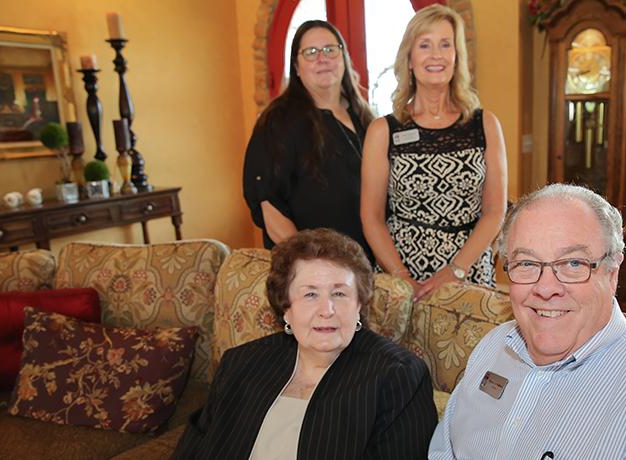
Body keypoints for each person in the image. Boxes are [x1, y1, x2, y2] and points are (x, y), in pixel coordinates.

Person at [428, 184, 626, 459]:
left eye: (573, 263)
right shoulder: (493, 347)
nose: (546, 288)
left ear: (612, 273)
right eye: (526, 263)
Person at [172, 228, 437, 459]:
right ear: (285, 307)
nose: (327, 310)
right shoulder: (241, 363)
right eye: (310, 294)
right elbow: (195, 449)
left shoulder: (398, 375)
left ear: (359, 304)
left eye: (339, 293)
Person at [360, 4, 506, 298]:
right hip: (401, 274)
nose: (436, 54)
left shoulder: (486, 124)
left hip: (469, 273)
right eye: (425, 45)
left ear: (456, 56)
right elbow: (371, 218)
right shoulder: (383, 130)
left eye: (445, 44)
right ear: (409, 59)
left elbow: (494, 211)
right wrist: (402, 278)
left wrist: (456, 271)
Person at [244, 20, 375, 262]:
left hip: (369, 264)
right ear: (296, 66)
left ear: (343, 58)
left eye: (330, 49)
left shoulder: (365, 118)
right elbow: (270, 206)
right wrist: (312, 265)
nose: (322, 59)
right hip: (313, 269)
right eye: (311, 52)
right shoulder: (278, 121)